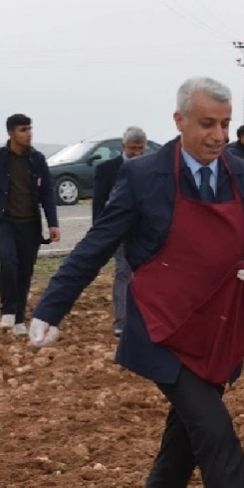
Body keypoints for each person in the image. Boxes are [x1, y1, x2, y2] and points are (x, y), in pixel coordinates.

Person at [27, 76, 244, 488]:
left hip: (215, 330)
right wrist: (52, 306)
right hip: (162, 329)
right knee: (216, 439)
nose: (218, 135)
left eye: (225, 124)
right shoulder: (145, 176)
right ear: (180, 120)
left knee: (185, 441)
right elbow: (98, 243)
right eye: (208, 123)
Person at [0, 113, 61, 335]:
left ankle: (18, 320)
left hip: (30, 225)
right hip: (3, 223)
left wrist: (53, 223)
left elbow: (47, 193)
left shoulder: (38, 159)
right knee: (7, 261)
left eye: (30, 129)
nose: (28, 134)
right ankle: (8, 309)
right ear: (11, 133)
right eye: (23, 130)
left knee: (25, 271)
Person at [93, 126, 148, 336]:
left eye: (140, 148)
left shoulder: (149, 168)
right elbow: (98, 205)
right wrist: (100, 235)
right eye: (133, 148)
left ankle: (144, 318)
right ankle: (122, 322)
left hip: (145, 231)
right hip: (120, 231)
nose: (137, 153)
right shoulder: (107, 170)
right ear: (123, 147)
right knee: (123, 272)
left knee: (144, 274)